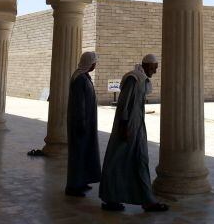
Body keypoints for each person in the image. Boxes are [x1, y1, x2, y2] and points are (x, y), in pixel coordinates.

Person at [99, 54, 169, 212]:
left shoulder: (141, 79)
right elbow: (123, 104)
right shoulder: (133, 79)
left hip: (137, 127)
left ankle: (146, 200)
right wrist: (124, 127)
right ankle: (111, 198)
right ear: (145, 65)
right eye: (153, 68)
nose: (155, 71)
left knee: (140, 160)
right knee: (117, 161)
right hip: (127, 128)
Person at [65, 51, 101, 197]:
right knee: (78, 154)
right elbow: (79, 104)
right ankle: (73, 186)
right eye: (94, 62)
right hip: (81, 123)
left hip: (87, 122)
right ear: (89, 63)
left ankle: (82, 181)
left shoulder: (84, 76)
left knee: (84, 153)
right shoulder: (80, 79)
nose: (95, 64)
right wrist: (81, 123)